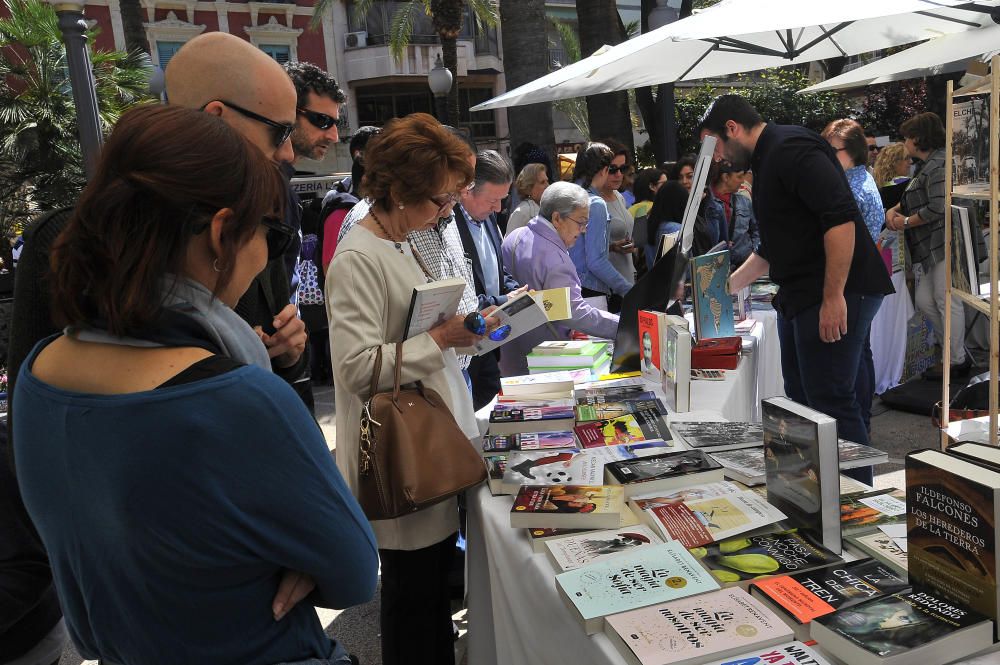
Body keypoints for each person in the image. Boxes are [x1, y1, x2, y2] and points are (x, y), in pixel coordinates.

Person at [14, 104, 378, 665]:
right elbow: (355, 570)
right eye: (271, 236)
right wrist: (294, 557)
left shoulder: (40, 372)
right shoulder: (239, 401)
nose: (266, 257)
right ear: (220, 233)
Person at [326, 113, 484, 665]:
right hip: (400, 451)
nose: (447, 212)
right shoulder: (357, 256)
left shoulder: (407, 240)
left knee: (431, 589)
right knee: (412, 596)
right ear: (397, 191)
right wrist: (440, 339)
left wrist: (463, 335)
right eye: (439, 200)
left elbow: (422, 333)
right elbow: (353, 368)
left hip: (433, 437)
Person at [699, 95, 893, 461]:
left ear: (732, 129)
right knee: (804, 400)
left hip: (837, 290)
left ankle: (856, 501)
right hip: (805, 293)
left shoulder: (789, 148)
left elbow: (840, 220)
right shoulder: (768, 159)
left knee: (831, 400)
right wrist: (721, 289)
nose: (717, 157)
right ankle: (816, 497)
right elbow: (772, 247)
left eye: (716, 145)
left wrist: (833, 296)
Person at [499, 181, 620, 376]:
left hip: (508, 353)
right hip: (545, 361)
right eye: (581, 222)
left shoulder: (515, 236)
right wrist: (622, 326)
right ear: (557, 218)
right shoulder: (556, 259)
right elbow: (574, 312)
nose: (583, 230)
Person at [886, 112, 969, 380]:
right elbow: (918, 195)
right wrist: (895, 209)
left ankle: (955, 359)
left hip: (944, 241)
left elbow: (938, 207)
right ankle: (954, 353)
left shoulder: (938, 163)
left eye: (907, 137)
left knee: (947, 301)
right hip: (935, 245)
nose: (904, 143)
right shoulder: (930, 164)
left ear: (917, 138)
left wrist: (905, 221)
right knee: (926, 299)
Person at [284, 61, 347, 390]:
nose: (334, 135)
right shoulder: (259, 184)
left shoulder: (281, 183)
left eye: (336, 123)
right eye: (322, 121)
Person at [822, 118, 886, 435]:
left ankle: (859, 425)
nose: (826, 157)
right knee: (860, 353)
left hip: (857, 284)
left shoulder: (853, 187)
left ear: (852, 151)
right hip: (863, 283)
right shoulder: (859, 180)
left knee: (852, 361)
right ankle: (863, 421)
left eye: (831, 151)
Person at [456, 149, 523, 409]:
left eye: (502, 200)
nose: (498, 208)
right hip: (466, 341)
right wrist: (505, 298)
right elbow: (463, 291)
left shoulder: (487, 218)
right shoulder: (449, 226)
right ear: (467, 190)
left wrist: (514, 290)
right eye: (492, 200)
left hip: (490, 343)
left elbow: (496, 269)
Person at [569, 142, 633, 313]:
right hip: (591, 291)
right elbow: (596, 261)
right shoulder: (595, 204)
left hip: (568, 288)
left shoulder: (567, 196)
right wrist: (628, 290)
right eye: (611, 169)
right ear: (604, 170)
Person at [598, 140, 638, 294]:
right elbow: (585, 253)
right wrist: (613, 247)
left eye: (623, 168)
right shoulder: (592, 203)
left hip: (628, 279)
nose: (619, 174)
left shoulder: (619, 196)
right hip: (608, 288)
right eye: (613, 169)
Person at [704, 159, 759, 267]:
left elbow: (757, 230)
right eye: (739, 176)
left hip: (744, 264)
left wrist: (754, 252)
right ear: (725, 177)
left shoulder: (745, 202)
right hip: (717, 266)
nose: (743, 181)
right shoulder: (707, 203)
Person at [645, 180, 688, 269]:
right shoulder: (676, 230)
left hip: (653, 280)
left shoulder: (649, 225)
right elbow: (684, 268)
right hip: (677, 281)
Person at [506, 163, 549, 234]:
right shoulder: (521, 212)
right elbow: (510, 243)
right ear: (529, 187)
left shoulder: (545, 209)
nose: (547, 185)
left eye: (547, 181)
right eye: (542, 182)